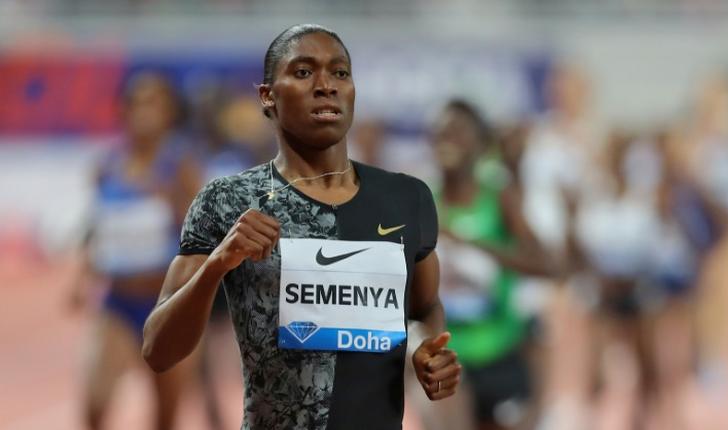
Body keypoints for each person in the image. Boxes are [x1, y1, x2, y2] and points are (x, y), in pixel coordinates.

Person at [141, 24, 460, 430]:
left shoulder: (406, 198)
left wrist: (426, 350)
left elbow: (424, 309)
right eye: (304, 71)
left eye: (340, 72)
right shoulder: (227, 201)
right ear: (267, 97)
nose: (326, 85)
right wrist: (218, 264)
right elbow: (157, 350)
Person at [71, 71, 202, 429]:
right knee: (95, 403)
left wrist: (173, 203)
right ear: (124, 110)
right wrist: (81, 277)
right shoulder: (107, 164)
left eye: (156, 103)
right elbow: (96, 224)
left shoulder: (180, 166)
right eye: (139, 102)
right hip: (117, 300)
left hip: (166, 303)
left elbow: (204, 231)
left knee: (165, 412)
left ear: (170, 113)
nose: (146, 111)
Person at [427, 99, 556, 430]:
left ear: (480, 144)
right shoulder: (424, 200)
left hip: (501, 349)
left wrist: (474, 245)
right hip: (450, 353)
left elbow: (545, 264)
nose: (447, 140)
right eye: (441, 133)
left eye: (457, 132)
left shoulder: (498, 197)